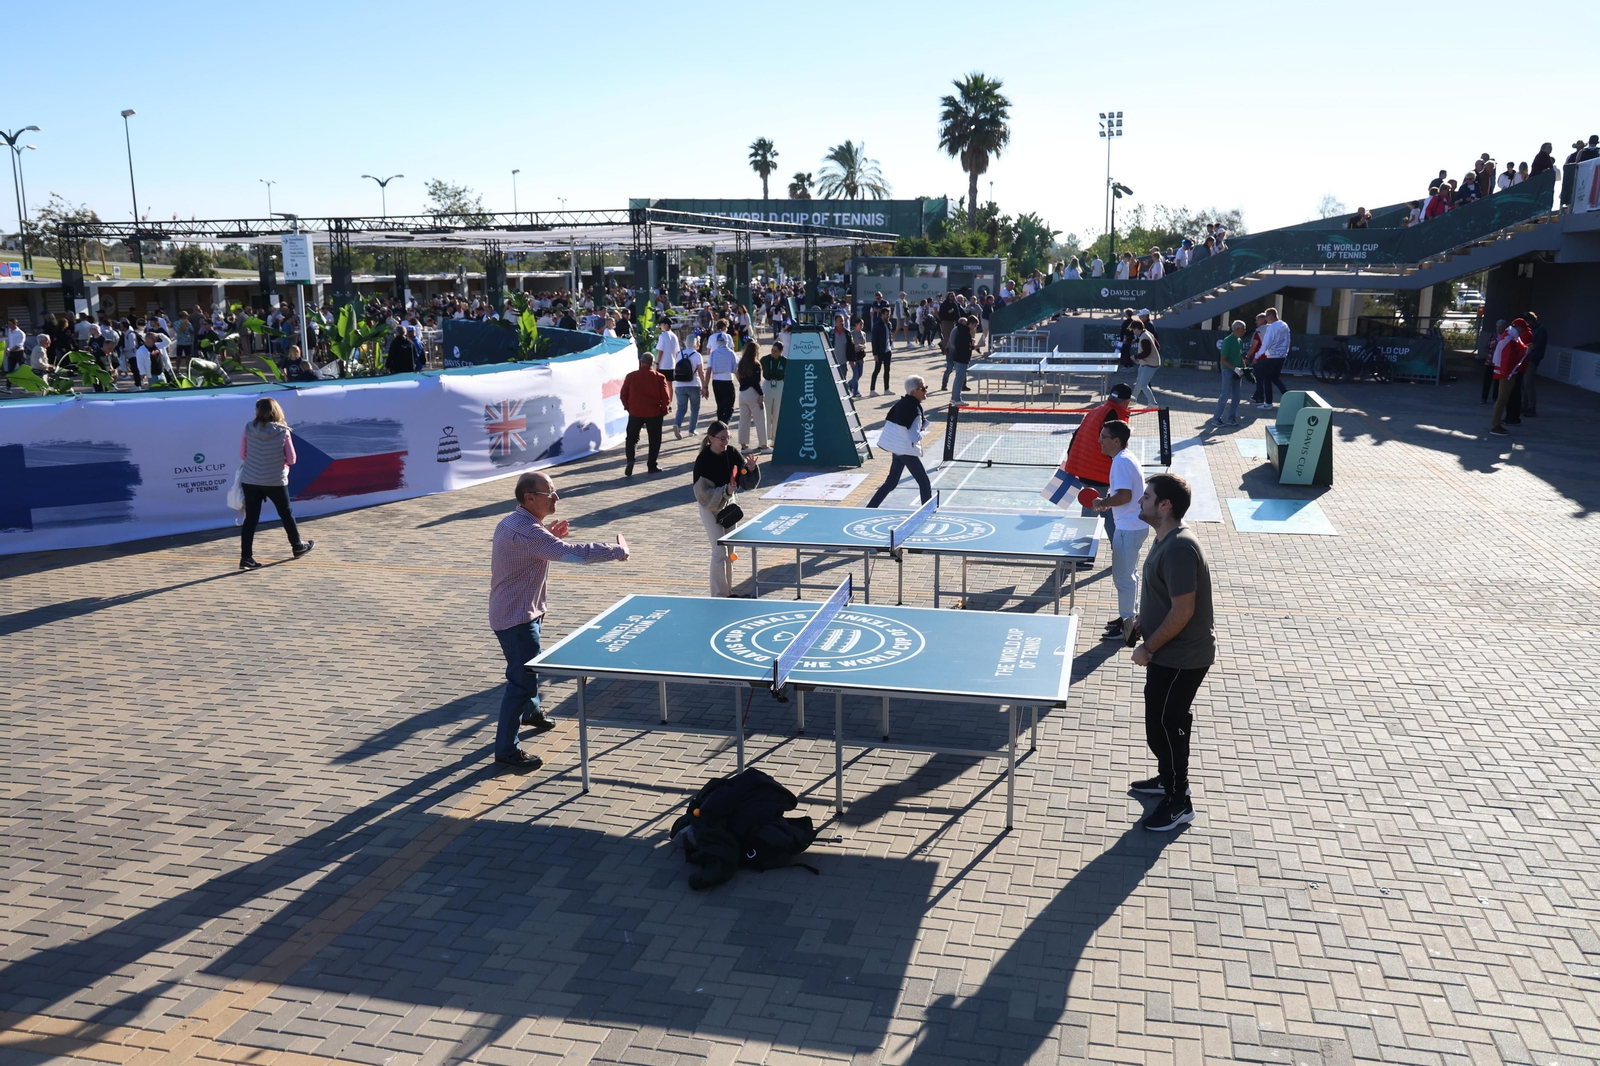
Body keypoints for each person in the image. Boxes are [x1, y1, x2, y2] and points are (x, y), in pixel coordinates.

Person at [489, 471, 629, 771]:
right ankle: (506, 750)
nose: (557, 497)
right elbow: (573, 555)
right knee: (520, 682)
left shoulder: (514, 522)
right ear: (529, 498)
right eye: (549, 493)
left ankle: (532, 713)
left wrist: (548, 535)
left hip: (518, 612)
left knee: (529, 667)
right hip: (517, 619)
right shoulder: (530, 533)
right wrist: (615, 551)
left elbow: (537, 545)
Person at [1127, 473, 1214, 832]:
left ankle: (1179, 802)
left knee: (1167, 726)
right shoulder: (1164, 538)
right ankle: (1168, 780)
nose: (1140, 500)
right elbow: (1165, 598)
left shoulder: (1179, 547)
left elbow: (1183, 611)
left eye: (1147, 496)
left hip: (1181, 658)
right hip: (1167, 653)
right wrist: (1142, 623)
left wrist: (1148, 647)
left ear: (1165, 505)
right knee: (1160, 724)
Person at [238, 398, 315, 570]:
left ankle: (246, 558)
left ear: (258, 411)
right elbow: (292, 459)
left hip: (250, 479)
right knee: (286, 514)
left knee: (251, 519)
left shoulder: (248, 428)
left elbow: (242, 455)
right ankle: (297, 546)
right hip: (275, 480)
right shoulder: (283, 431)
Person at [1060, 383, 1135, 549]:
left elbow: (1076, 435)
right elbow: (1113, 445)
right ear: (1126, 402)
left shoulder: (1096, 410)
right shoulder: (1113, 414)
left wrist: (1072, 463)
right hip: (1098, 473)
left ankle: (1116, 547)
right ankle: (1082, 552)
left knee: (1104, 510)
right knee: (1094, 513)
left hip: (1084, 468)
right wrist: (1121, 465)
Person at [1093, 419, 1148, 643]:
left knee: (1123, 578)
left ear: (1116, 440)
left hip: (1128, 528)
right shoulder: (1125, 458)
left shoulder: (1121, 462)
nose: (1100, 441)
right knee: (1130, 575)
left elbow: (1125, 496)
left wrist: (1103, 502)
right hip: (1133, 526)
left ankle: (1128, 627)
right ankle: (1130, 617)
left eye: (1103, 437)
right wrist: (1108, 503)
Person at [691, 421, 758, 597]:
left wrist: (750, 469)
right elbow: (702, 495)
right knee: (719, 551)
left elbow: (743, 475)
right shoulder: (703, 460)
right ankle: (719, 594)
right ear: (711, 438)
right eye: (722, 439)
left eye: (728, 438)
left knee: (731, 550)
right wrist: (724, 491)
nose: (726, 442)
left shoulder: (732, 452)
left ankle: (728, 591)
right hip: (709, 508)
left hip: (728, 504)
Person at [866, 376, 933, 508]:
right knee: (924, 483)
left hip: (896, 449)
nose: (925, 391)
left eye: (926, 387)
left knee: (891, 483)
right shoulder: (915, 411)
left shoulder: (900, 403)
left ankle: (870, 507)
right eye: (922, 388)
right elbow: (914, 437)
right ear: (913, 392)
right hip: (906, 451)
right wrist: (924, 432)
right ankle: (927, 511)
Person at [620, 350, 672, 475]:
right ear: (652, 363)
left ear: (641, 362)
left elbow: (623, 394)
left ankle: (630, 459)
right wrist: (663, 410)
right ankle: (651, 465)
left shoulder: (631, 376)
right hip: (654, 413)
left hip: (635, 412)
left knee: (631, 438)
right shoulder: (659, 377)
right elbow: (666, 397)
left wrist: (628, 407)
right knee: (654, 439)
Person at [1489, 318, 1530, 436]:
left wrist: (1526, 349)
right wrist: (1527, 349)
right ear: (1519, 327)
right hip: (1507, 372)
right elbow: (1510, 356)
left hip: (1506, 371)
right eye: (1523, 329)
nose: (1524, 332)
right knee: (1502, 399)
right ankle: (1496, 426)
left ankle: (1496, 425)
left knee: (1503, 398)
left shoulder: (1510, 335)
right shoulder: (1510, 337)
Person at [668, 331, 708, 438]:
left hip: (679, 385)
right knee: (694, 408)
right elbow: (701, 372)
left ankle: (677, 424)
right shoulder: (697, 355)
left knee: (681, 407)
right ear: (696, 343)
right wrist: (705, 386)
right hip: (694, 384)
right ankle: (692, 430)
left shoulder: (679, 355)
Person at [1210, 320, 1247, 426]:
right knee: (1225, 395)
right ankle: (1216, 418)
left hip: (1237, 371)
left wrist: (1244, 368)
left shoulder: (1239, 340)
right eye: (1243, 329)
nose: (1245, 331)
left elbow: (1240, 356)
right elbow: (1223, 360)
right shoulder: (1228, 341)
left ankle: (1231, 418)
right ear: (1237, 329)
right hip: (1228, 370)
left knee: (1236, 396)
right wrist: (1235, 368)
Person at [734, 340, 768, 451]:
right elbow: (755, 382)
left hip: (742, 393)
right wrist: (761, 394)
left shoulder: (741, 363)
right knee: (760, 420)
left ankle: (743, 446)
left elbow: (737, 374)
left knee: (743, 421)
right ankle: (763, 445)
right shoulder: (756, 364)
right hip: (752, 393)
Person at [1254, 307, 1290, 408]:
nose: (1266, 319)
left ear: (1271, 316)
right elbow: (1288, 340)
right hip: (1282, 356)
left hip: (1272, 356)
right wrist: (1285, 352)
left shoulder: (1272, 327)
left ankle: (1268, 403)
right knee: (1275, 378)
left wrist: (1257, 355)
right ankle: (1287, 396)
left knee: (1267, 379)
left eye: (1266, 316)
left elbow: (1266, 342)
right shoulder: (1285, 325)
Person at [1130, 319, 1160, 408]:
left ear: (1136, 328)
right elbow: (1157, 346)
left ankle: (1153, 404)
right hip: (1146, 363)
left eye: (1133, 329)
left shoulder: (1144, 338)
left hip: (1150, 364)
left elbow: (1146, 352)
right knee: (1139, 381)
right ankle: (1133, 400)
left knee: (1143, 384)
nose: (1133, 331)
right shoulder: (1147, 333)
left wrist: (1135, 357)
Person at [760, 339, 786, 442]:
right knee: (766, 412)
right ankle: (765, 439)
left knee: (777, 412)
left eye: (776, 351)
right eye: (772, 350)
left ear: (781, 352)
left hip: (779, 384)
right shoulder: (765, 359)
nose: (773, 353)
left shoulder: (785, 361)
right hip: (767, 384)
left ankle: (775, 438)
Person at [1521, 311, 1546, 416]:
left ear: (1532, 321)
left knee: (1528, 382)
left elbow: (1539, 344)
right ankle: (1524, 404)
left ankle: (1531, 406)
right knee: (1524, 383)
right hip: (1526, 358)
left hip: (1532, 359)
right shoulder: (1531, 330)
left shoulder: (1540, 330)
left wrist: (1530, 346)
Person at [947, 315, 975, 405]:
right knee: (959, 379)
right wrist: (975, 346)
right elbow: (964, 346)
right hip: (961, 358)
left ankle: (954, 398)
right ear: (971, 323)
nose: (974, 327)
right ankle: (956, 399)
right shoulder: (964, 332)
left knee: (958, 379)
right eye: (974, 325)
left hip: (959, 357)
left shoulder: (960, 330)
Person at [869, 305, 894, 395]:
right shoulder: (877, 325)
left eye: (889, 315)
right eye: (886, 315)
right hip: (879, 352)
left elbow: (889, 335)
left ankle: (886, 389)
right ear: (882, 315)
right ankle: (872, 390)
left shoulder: (889, 324)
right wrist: (875, 354)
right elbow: (874, 340)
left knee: (887, 370)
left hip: (887, 351)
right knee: (877, 370)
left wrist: (890, 343)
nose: (888, 316)